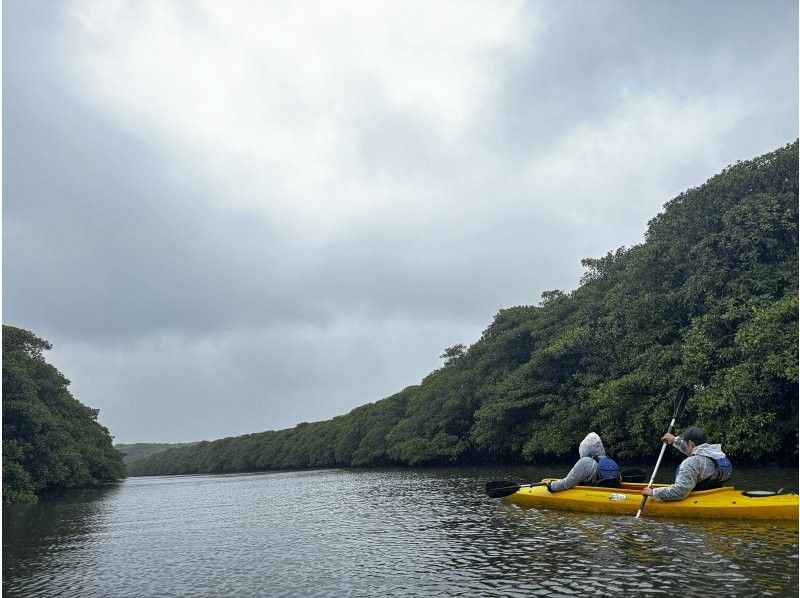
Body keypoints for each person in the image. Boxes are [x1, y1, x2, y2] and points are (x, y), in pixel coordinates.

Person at [641, 426, 732, 501]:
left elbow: (680, 492)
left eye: (685, 442)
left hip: (699, 498)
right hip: (715, 492)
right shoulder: (716, 454)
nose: (683, 444)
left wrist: (654, 492)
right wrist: (674, 440)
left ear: (691, 443)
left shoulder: (690, 464)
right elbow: (691, 450)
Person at [545, 432, 621, 492]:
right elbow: (619, 480)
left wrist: (551, 485)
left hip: (596, 494)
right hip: (611, 492)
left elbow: (567, 482)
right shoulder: (610, 460)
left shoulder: (585, 461)